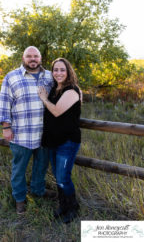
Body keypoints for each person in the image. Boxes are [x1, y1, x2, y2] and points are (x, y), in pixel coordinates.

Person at [0, 46, 54, 214]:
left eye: (36, 56)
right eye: (29, 56)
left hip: (45, 134)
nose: (32, 59)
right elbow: (4, 103)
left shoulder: (50, 76)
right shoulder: (12, 77)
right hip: (21, 134)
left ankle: (38, 191)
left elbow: (65, 91)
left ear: (40, 58)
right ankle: (20, 199)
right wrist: (6, 127)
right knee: (18, 170)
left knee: (41, 166)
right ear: (23, 58)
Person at [38, 58, 82, 224]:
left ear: (68, 71)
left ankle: (72, 207)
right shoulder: (55, 89)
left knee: (63, 178)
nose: (58, 73)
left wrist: (43, 98)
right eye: (55, 70)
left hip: (67, 142)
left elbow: (56, 111)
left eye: (62, 70)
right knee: (58, 176)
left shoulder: (71, 90)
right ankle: (63, 205)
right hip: (53, 141)